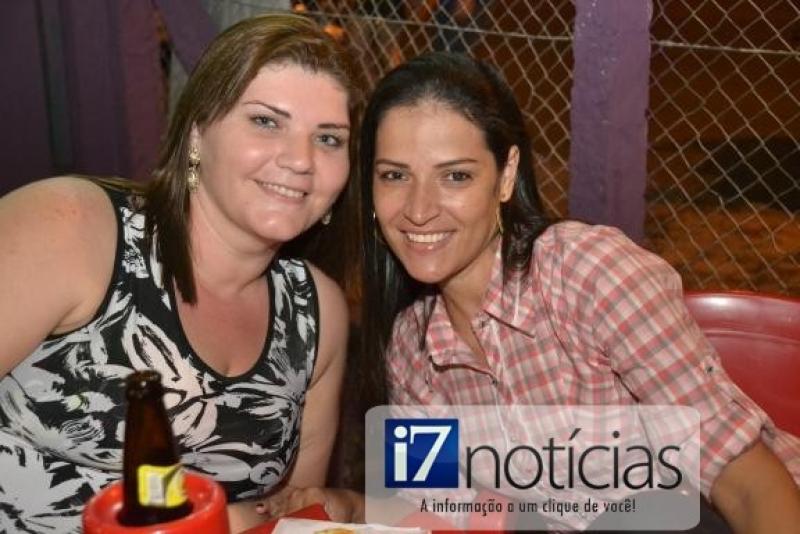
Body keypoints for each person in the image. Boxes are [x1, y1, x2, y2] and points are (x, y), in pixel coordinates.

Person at [355, 52, 800, 532]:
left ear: (506, 176)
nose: (419, 209)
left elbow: (747, 485)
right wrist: (354, 506)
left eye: (455, 175)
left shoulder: (590, 275)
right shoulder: (410, 347)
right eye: (394, 175)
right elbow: (436, 512)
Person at [0, 14, 359, 533]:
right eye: (266, 122)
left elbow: (296, 515)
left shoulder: (316, 314)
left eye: (328, 139)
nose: (301, 160)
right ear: (196, 134)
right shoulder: (72, 229)